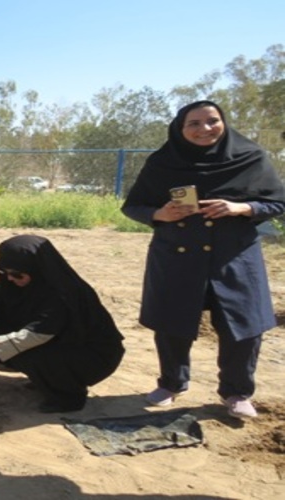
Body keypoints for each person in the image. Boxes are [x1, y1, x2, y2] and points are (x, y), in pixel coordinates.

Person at [121, 100, 285, 419]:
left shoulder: (250, 157)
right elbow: (133, 206)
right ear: (180, 129)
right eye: (193, 123)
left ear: (224, 122)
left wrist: (241, 208)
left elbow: (278, 202)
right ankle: (172, 383)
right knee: (172, 322)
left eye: (212, 121)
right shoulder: (162, 163)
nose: (204, 129)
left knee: (244, 325)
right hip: (176, 255)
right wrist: (160, 213)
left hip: (235, 256)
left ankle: (236, 392)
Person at [0, 235, 125, 413]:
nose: (10, 278)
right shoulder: (10, 283)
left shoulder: (62, 294)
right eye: (4, 272)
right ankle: (46, 379)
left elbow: (37, 335)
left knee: (26, 353)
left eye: (17, 274)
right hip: (57, 344)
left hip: (92, 357)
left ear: (37, 269)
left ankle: (68, 397)